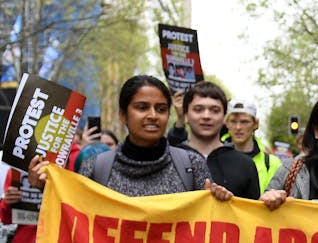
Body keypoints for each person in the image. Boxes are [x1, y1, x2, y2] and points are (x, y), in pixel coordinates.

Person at [28, 75, 232, 201]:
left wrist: (220, 202)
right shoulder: (95, 168)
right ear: (123, 115)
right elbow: (75, 224)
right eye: (142, 107)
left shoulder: (192, 165)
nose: (152, 115)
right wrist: (48, 192)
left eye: (161, 109)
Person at [173, 82, 260, 199]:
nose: (206, 116)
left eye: (215, 110)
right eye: (198, 110)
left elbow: (252, 214)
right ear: (186, 115)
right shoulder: (170, 159)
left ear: (224, 118)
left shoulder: (245, 165)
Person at [225, 98, 282, 192]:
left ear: (256, 124)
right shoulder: (214, 156)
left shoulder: (273, 164)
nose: (238, 127)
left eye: (244, 122)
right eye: (233, 121)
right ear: (226, 123)